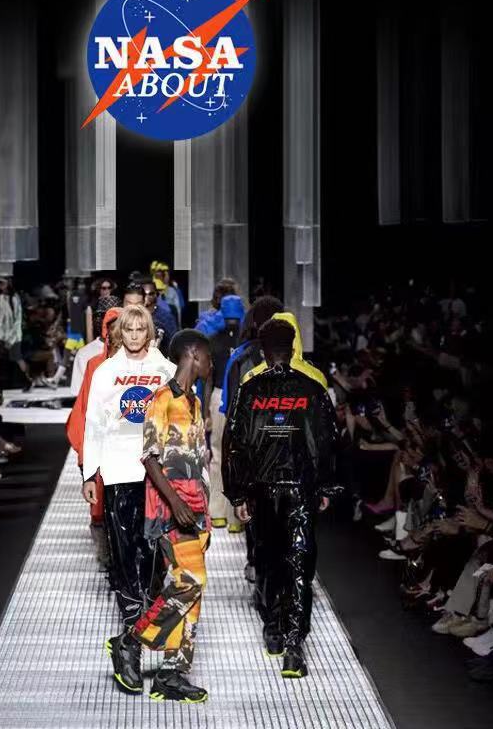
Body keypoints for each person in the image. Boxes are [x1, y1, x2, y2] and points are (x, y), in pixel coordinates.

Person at [225, 319, 339, 678]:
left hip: (262, 489)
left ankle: (273, 630)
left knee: (268, 558)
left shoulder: (250, 389)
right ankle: (293, 646)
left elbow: (236, 443)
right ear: (292, 349)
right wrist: (325, 486)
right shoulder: (312, 388)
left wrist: (238, 493)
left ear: (262, 350)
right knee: (299, 564)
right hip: (301, 489)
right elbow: (326, 440)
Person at [107, 329, 212, 704]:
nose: (211, 364)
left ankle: (172, 674)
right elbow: (149, 457)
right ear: (194, 355)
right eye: (209, 358)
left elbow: (197, 461)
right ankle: (130, 640)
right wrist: (177, 504)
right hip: (171, 510)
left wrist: (203, 511)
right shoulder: (161, 399)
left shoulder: (194, 402)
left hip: (195, 508)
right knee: (192, 582)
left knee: (191, 592)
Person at [81, 306, 176, 639]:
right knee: (123, 550)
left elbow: (179, 420)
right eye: (129, 329)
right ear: (120, 333)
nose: (135, 335)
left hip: (157, 473)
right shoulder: (106, 372)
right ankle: (132, 617)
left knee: (154, 547)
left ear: (149, 332)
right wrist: (90, 474)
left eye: (140, 329)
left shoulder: (166, 370)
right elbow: (93, 424)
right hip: (118, 469)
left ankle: (151, 609)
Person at [66, 306, 122, 567]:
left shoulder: (145, 367)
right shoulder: (94, 366)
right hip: (100, 456)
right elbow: (83, 414)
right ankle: (108, 560)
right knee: (101, 514)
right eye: (115, 332)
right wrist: (86, 464)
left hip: (133, 458)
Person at [206, 294, 245, 530]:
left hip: (219, 395)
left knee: (217, 454)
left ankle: (217, 512)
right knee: (237, 455)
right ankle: (235, 517)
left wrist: (205, 412)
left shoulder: (212, 340)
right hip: (241, 397)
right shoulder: (246, 341)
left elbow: (208, 378)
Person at [71, 295, 120, 397]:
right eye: (102, 317)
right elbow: (79, 395)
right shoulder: (85, 354)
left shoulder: (133, 350)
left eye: (113, 319)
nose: (106, 322)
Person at [0, 276, 28, 382]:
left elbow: (17, 319)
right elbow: (0, 317)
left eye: (2, 283)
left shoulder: (14, 298)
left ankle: (28, 379)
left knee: (17, 358)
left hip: (14, 335)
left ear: (8, 283)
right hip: (1, 334)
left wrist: (11, 339)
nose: (0, 285)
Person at [141, 278, 177, 354]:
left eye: (151, 294)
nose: (147, 296)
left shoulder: (166, 316)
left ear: (156, 295)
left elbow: (173, 341)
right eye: (144, 294)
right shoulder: (136, 314)